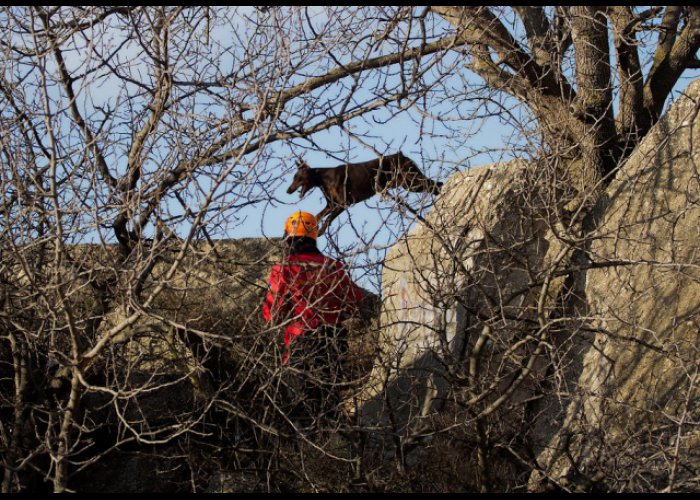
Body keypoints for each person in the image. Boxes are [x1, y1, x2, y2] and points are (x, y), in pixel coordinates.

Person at [262, 211, 363, 419]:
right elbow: (354, 300)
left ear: (287, 236)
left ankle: (307, 448)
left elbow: (272, 313)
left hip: (302, 342)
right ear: (314, 236)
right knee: (329, 402)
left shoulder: (284, 268)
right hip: (333, 340)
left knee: (302, 407)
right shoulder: (332, 267)